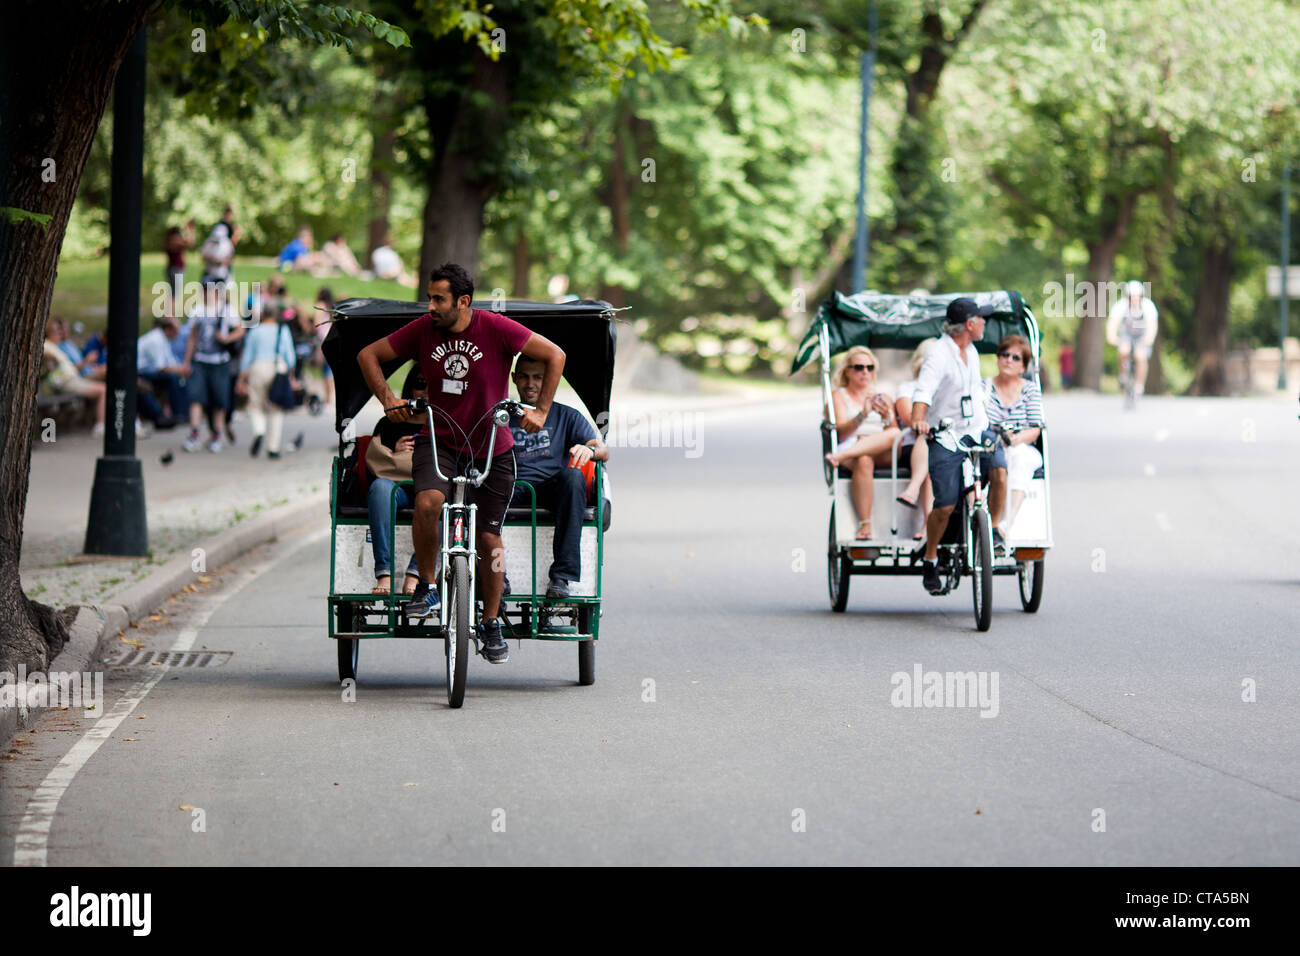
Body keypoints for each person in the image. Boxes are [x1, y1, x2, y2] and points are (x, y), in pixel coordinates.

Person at [357, 262, 566, 665]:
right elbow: (369, 355)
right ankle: (428, 586)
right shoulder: (423, 329)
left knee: (489, 537)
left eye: (438, 299)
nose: (430, 306)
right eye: (429, 297)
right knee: (427, 503)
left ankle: (490, 623)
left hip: (492, 446)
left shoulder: (497, 328)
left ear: (463, 301)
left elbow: (555, 355)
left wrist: (541, 409)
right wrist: (387, 398)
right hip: (440, 442)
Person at [910, 298, 1008, 595]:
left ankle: (991, 530)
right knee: (945, 505)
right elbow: (923, 390)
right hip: (946, 434)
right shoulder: (939, 354)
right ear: (969, 324)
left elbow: (976, 392)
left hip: (976, 430)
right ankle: (930, 557)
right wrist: (918, 419)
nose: (985, 323)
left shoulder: (973, 352)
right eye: (981, 319)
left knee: (1000, 471)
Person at [508, 355, 610, 598]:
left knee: (574, 477)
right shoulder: (504, 415)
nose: (530, 384)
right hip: (510, 486)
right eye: (524, 376)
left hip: (551, 490)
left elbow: (603, 450)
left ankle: (561, 577)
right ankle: (493, 575)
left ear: (550, 380)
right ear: (514, 379)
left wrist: (590, 449)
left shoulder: (567, 415)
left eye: (538, 377)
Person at [823, 346, 900, 540]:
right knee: (864, 458)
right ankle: (865, 525)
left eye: (869, 367)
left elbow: (893, 430)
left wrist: (886, 415)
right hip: (852, 446)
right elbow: (840, 434)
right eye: (858, 367)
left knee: (895, 432)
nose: (865, 372)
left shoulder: (883, 397)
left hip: (881, 448)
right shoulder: (838, 396)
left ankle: (840, 458)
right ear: (847, 371)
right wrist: (862, 414)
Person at [364, 370, 429, 596]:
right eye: (421, 383)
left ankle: (415, 573)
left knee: (444, 499)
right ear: (411, 387)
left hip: (430, 488)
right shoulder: (390, 422)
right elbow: (375, 467)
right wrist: (397, 451)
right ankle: (384, 572)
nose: (426, 390)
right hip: (397, 486)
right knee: (380, 488)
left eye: (434, 383)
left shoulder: (445, 424)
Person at [982, 334, 1044, 544]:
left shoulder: (1030, 390)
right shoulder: (984, 387)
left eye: (1016, 358)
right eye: (1004, 355)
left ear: (1023, 366)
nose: (1008, 360)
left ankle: (1006, 522)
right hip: (990, 443)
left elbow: (1036, 428)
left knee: (1019, 458)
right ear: (998, 359)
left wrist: (1015, 439)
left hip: (1021, 444)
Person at [181, 279, 244, 453]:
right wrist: (186, 362)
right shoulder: (197, 310)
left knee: (219, 400)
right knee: (196, 397)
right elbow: (192, 337)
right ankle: (194, 434)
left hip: (219, 361)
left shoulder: (227, 310)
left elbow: (240, 329)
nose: (207, 293)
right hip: (200, 360)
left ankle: (216, 434)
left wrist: (226, 339)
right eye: (205, 290)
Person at [235, 298, 299, 459]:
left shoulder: (255, 331)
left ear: (263, 313)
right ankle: (273, 447)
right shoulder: (281, 330)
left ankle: (259, 431)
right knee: (277, 409)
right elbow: (290, 355)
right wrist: (291, 373)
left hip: (258, 367)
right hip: (277, 368)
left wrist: (242, 377)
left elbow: (247, 355)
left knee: (256, 405)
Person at [893, 338, 939, 534]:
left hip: (947, 445)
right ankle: (928, 522)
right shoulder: (908, 388)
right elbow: (911, 420)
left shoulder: (950, 388)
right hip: (915, 446)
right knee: (927, 440)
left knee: (936, 451)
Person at [41, 320, 106, 433]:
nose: (60, 334)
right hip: (65, 381)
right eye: (57, 331)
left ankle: (102, 422)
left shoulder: (57, 346)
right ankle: (101, 426)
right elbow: (46, 354)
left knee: (103, 385)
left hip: (73, 378)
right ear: (49, 333)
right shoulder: (47, 345)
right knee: (103, 389)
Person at [1106, 280, 1158, 398]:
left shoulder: (1148, 306)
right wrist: (1111, 336)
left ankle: (1139, 385)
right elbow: (1113, 322)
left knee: (1140, 356)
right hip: (1127, 333)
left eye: (1137, 296)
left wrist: (1149, 337)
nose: (1134, 299)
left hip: (1142, 335)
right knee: (1123, 351)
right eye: (1132, 296)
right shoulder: (1121, 305)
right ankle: (1123, 376)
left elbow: (1152, 324)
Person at [137, 316, 189, 421]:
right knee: (172, 379)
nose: (178, 334)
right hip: (140, 372)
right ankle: (178, 413)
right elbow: (160, 367)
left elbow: (170, 362)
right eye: (176, 331)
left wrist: (181, 370)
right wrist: (179, 370)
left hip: (150, 371)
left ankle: (183, 413)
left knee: (179, 378)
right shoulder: (156, 340)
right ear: (168, 330)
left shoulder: (164, 339)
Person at [164, 220, 195, 290]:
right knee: (175, 294)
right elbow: (189, 243)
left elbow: (189, 243)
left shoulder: (170, 242)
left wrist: (189, 230)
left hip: (176, 269)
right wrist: (189, 230)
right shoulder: (173, 242)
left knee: (173, 293)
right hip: (176, 269)